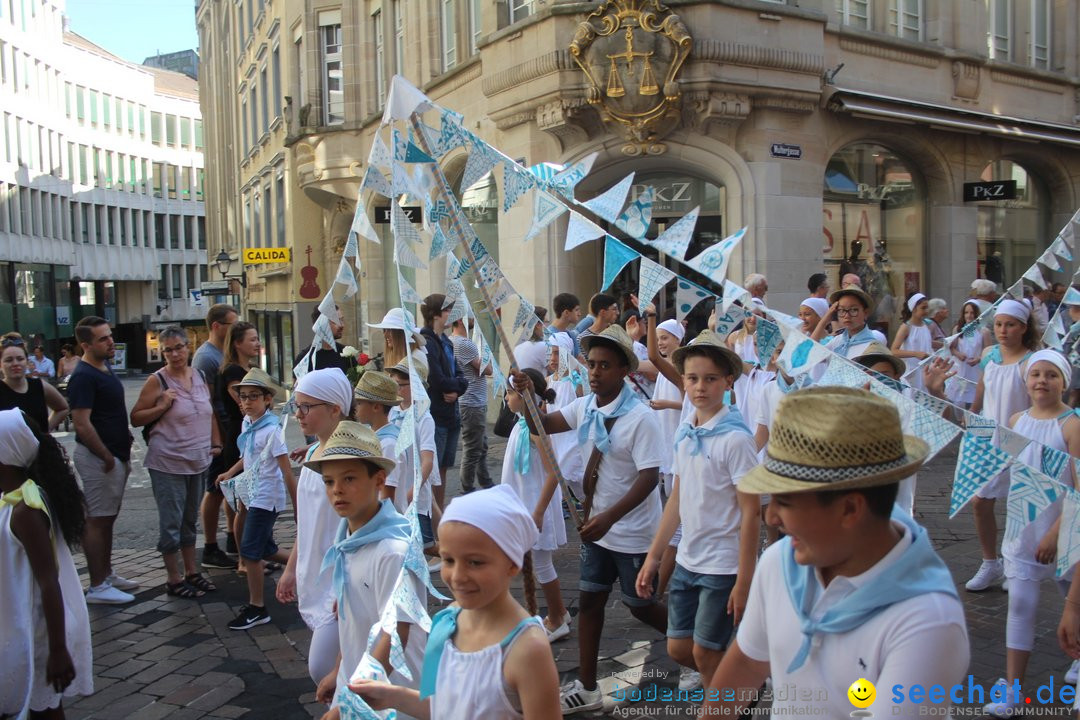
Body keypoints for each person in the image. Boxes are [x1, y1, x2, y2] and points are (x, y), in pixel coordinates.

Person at [704, 387, 969, 718]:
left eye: (784, 502)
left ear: (849, 509)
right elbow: (747, 663)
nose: (770, 517)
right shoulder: (780, 562)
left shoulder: (927, 622)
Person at [513, 325, 666, 715]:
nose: (595, 373)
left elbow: (650, 478)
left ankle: (699, 646)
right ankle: (586, 685)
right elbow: (540, 427)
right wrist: (530, 396)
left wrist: (610, 517)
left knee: (641, 607)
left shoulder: (640, 418)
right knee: (591, 600)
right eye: (592, 365)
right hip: (597, 530)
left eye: (604, 366)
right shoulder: (586, 407)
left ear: (623, 371)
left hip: (632, 533)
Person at [350, 485, 560, 720]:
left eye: (475, 562)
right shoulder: (446, 622)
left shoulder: (528, 650)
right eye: (448, 560)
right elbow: (442, 708)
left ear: (512, 564)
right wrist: (391, 697)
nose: (458, 576)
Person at [636, 331, 760, 692]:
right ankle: (739, 688)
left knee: (706, 654)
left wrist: (745, 579)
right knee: (678, 648)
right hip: (689, 559)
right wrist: (654, 556)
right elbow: (676, 498)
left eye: (710, 379)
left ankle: (723, 707)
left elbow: (751, 513)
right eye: (692, 378)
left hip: (723, 565)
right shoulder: (687, 429)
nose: (700, 387)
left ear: (728, 382)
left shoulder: (736, 439)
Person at [304, 421, 426, 719]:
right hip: (358, 682)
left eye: (349, 478)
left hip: (392, 693)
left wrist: (349, 706)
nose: (337, 491)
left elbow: (394, 633)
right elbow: (354, 617)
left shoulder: (392, 552)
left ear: (379, 480)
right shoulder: (349, 539)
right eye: (329, 482)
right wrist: (338, 670)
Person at [984, 350, 1080, 717]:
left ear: (1063, 382)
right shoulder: (1015, 419)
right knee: (1020, 606)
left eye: (1051, 375)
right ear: (1026, 381)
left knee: (1072, 598)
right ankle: (1013, 690)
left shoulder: (1072, 426)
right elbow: (1008, 465)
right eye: (1036, 374)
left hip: (1064, 528)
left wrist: (1057, 532)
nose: (1042, 380)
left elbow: (1078, 488)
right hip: (1022, 527)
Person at [0, 409, 93, 718]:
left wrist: (57, 649)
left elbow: (48, 581)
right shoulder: (9, 500)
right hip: (14, 621)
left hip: (35, 631)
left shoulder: (26, 510)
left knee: (44, 708)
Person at [276, 369, 354, 685]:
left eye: (307, 407)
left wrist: (351, 585)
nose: (298, 414)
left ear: (335, 409)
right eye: (297, 405)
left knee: (323, 669)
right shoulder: (312, 452)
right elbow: (307, 522)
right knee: (334, 672)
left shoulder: (349, 458)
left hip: (340, 582)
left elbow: (364, 528)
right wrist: (292, 568)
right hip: (316, 577)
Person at [129, 326, 219, 600]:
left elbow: (210, 412)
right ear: (162, 352)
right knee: (171, 523)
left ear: (188, 347)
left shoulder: (200, 375)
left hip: (198, 460)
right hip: (167, 461)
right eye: (168, 350)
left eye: (179, 347)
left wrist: (216, 443)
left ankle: (192, 572)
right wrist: (161, 406)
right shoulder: (158, 381)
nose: (175, 354)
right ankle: (173, 578)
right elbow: (136, 417)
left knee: (189, 521)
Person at [967, 299, 1039, 592]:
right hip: (986, 434)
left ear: (1023, 328)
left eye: (1010, 325)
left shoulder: (1031, 361)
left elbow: (1037, 401)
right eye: (998, 324)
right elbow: (983, 388)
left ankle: (1014, 563)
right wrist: (972, 417)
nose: (1003, 330)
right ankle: (989, 561)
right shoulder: (989, 355)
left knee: (1017, 504)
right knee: (980, 501)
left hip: (1019, 438)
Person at [216, 368, 296, 630]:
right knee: (266, 550)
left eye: (253, 396)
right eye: (244, 397)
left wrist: (297, 507)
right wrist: (230, 471)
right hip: (249, 494)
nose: (247, 401)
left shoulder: (272, 430)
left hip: (265, 496)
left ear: (267, 400)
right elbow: (249, 456)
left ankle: (258, 607)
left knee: (251, 552)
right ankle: (308, 563)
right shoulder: (248, 422)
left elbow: (286, 470)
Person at [68, 316, 137, 604]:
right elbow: (81, 423)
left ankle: (106, 573)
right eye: (102, 339)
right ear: (86, 345)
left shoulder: (103, 366)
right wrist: (106, 456)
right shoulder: (83, 376)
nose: (110, 342)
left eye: (109, 336)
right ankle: (97, 585)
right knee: (97, 520)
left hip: (114, 455)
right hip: (100, 458)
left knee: (107, 519)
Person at [502, 368, 570, 643]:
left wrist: (539, 511)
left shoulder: (536, 431)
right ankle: (559, 614)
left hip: (534, 504)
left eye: (509, 393)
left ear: (524, 396)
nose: (505, 398)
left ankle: (557, 617)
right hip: (522, 501)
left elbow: (554, 471)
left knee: (541, 563)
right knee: (532, 562)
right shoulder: (521, 425)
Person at [192, 304, 240, 570]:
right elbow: (207, 401)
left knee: (229, 487)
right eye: (232, 324)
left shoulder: (221, 353)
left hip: (229, 431)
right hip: (219, 435)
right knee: (214, 489)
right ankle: (211, 546)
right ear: (217, 326)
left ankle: (233, 538)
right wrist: (217, 439)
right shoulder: (206, 358)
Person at [212, 321, 261, 571]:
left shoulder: (248, 368)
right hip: (238, 436)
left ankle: (249, 552)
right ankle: (244, 557)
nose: (257, 343)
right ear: (237, 343)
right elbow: (245, 404)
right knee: (242, 499)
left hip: (248, 433)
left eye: (257, 338)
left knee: (248, 498)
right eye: (252, 339)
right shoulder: (232, 371)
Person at [385, 360, 440, 567]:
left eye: (401, 384)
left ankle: (461, 557)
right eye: (394, 383)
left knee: (424, 544)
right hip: (393, 487)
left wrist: (413, 490)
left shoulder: (423, 418)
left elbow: (427, 460)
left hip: (412, 491)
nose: (396, 388)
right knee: (402, 542)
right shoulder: (390, 412)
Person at [420, 294, 468, 515]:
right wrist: (455, 386)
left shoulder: (447, 341)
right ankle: (433, 516)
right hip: (437, 414)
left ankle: (440, 513)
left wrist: (457, 390)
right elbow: (436, 379)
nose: (452, 315)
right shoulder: (426, 342)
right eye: (448, 310)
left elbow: (461, 375)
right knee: (433, 469)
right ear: (435, 313)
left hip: (451, 413)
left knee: (444, 467)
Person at [450, 318, 493, 494]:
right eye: (470, 315)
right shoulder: (465, 344)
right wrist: (484, 350)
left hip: (467, 401)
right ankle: (467, 488)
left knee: (480, 445)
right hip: (472, 402)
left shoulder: (451, 341)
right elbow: (488, 370)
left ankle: (485, 481)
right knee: (473, 448)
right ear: (460, 319)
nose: (474, 319)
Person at [0, 334, 69, 432]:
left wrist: (44, 431)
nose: (15, 363)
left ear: (27, 362)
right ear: (0, 364)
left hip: (39, 447)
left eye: (20, 359)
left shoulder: (39, 386)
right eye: (9, 360)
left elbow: (63, 408)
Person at [545, 332, 585, 497]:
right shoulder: (548, 381)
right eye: (551, 353)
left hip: (573, 441)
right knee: (571, 486)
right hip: (556, 441)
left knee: (567, 481)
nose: (553, 358)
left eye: (557, 353)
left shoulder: (576, 380)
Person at [811, 286, 881, 359]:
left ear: (865, 313)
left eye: (853, 310)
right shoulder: (838, 341)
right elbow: (811, 354)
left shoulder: (872, 347)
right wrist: (825, 319)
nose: (847, 316)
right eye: (842, 310)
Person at [948, 301, 991, 409]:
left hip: (976, 371)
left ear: (976, 314)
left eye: (972, 312)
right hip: (961, 370)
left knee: (974, 400)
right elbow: (951, 348)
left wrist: (978, 359)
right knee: (958, 402)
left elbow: (989, 352)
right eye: (966, 312)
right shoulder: (957, 329)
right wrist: (958, 354)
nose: (969, 315)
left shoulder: (983, 331)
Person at [293, 305, 360, 374]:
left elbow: (356, 382)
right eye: (336, 321)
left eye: (342, 320)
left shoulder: (346, 353)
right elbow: (297, 384)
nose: (342, 325)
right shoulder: (305, 359)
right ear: (321, 325)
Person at [891, 292, 933, 391]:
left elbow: (925, 341)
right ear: (913, 308)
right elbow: (894, 351)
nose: (926, 311)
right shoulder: (906, 327)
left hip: (926, 371)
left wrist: (943, 344)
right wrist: (915, 354)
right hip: (912, 373)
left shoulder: (925, 325)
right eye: (923, 308)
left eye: (927, 308)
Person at [368, 307, 427, 373]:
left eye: (390, 330)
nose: (385, 335)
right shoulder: (393, 356)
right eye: (384, 330)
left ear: (402, 333)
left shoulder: (417, 357)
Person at [512, 307, 549, 374]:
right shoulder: (542, 346)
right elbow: (558, 371)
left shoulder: (518, 346)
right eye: (546, 322)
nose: (548, 326)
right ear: (538, 325)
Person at [551, 292, 583, 358]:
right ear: (566, 312)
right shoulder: (549, 335)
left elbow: (579, 361)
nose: (580, 314)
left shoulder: (571, 335)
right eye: (576, 310)